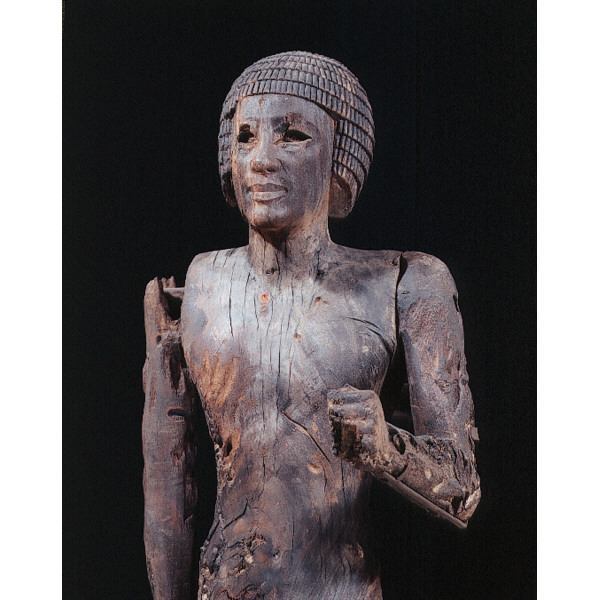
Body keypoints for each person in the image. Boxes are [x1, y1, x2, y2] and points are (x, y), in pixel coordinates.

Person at [143, 51, 480, 600]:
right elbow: (167, 478)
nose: (261, 160)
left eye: (293, 135)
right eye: (246, 137)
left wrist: (385, 447)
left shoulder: (404, 284)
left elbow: (462, 486)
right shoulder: (198, 286)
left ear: (339, 158)